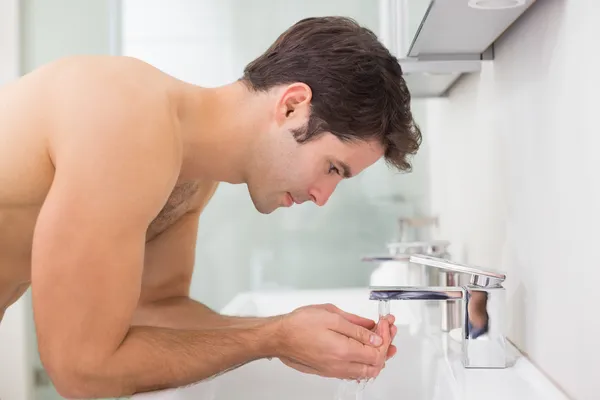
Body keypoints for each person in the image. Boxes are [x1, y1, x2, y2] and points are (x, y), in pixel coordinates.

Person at [0, 16, 421, 398]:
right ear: (292, 106)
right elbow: (81, 370)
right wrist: (271, 338)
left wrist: (289, 332)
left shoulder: (190, 175)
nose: (323, 197)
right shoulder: (129, 121)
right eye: (332, 168)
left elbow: (158, 310)